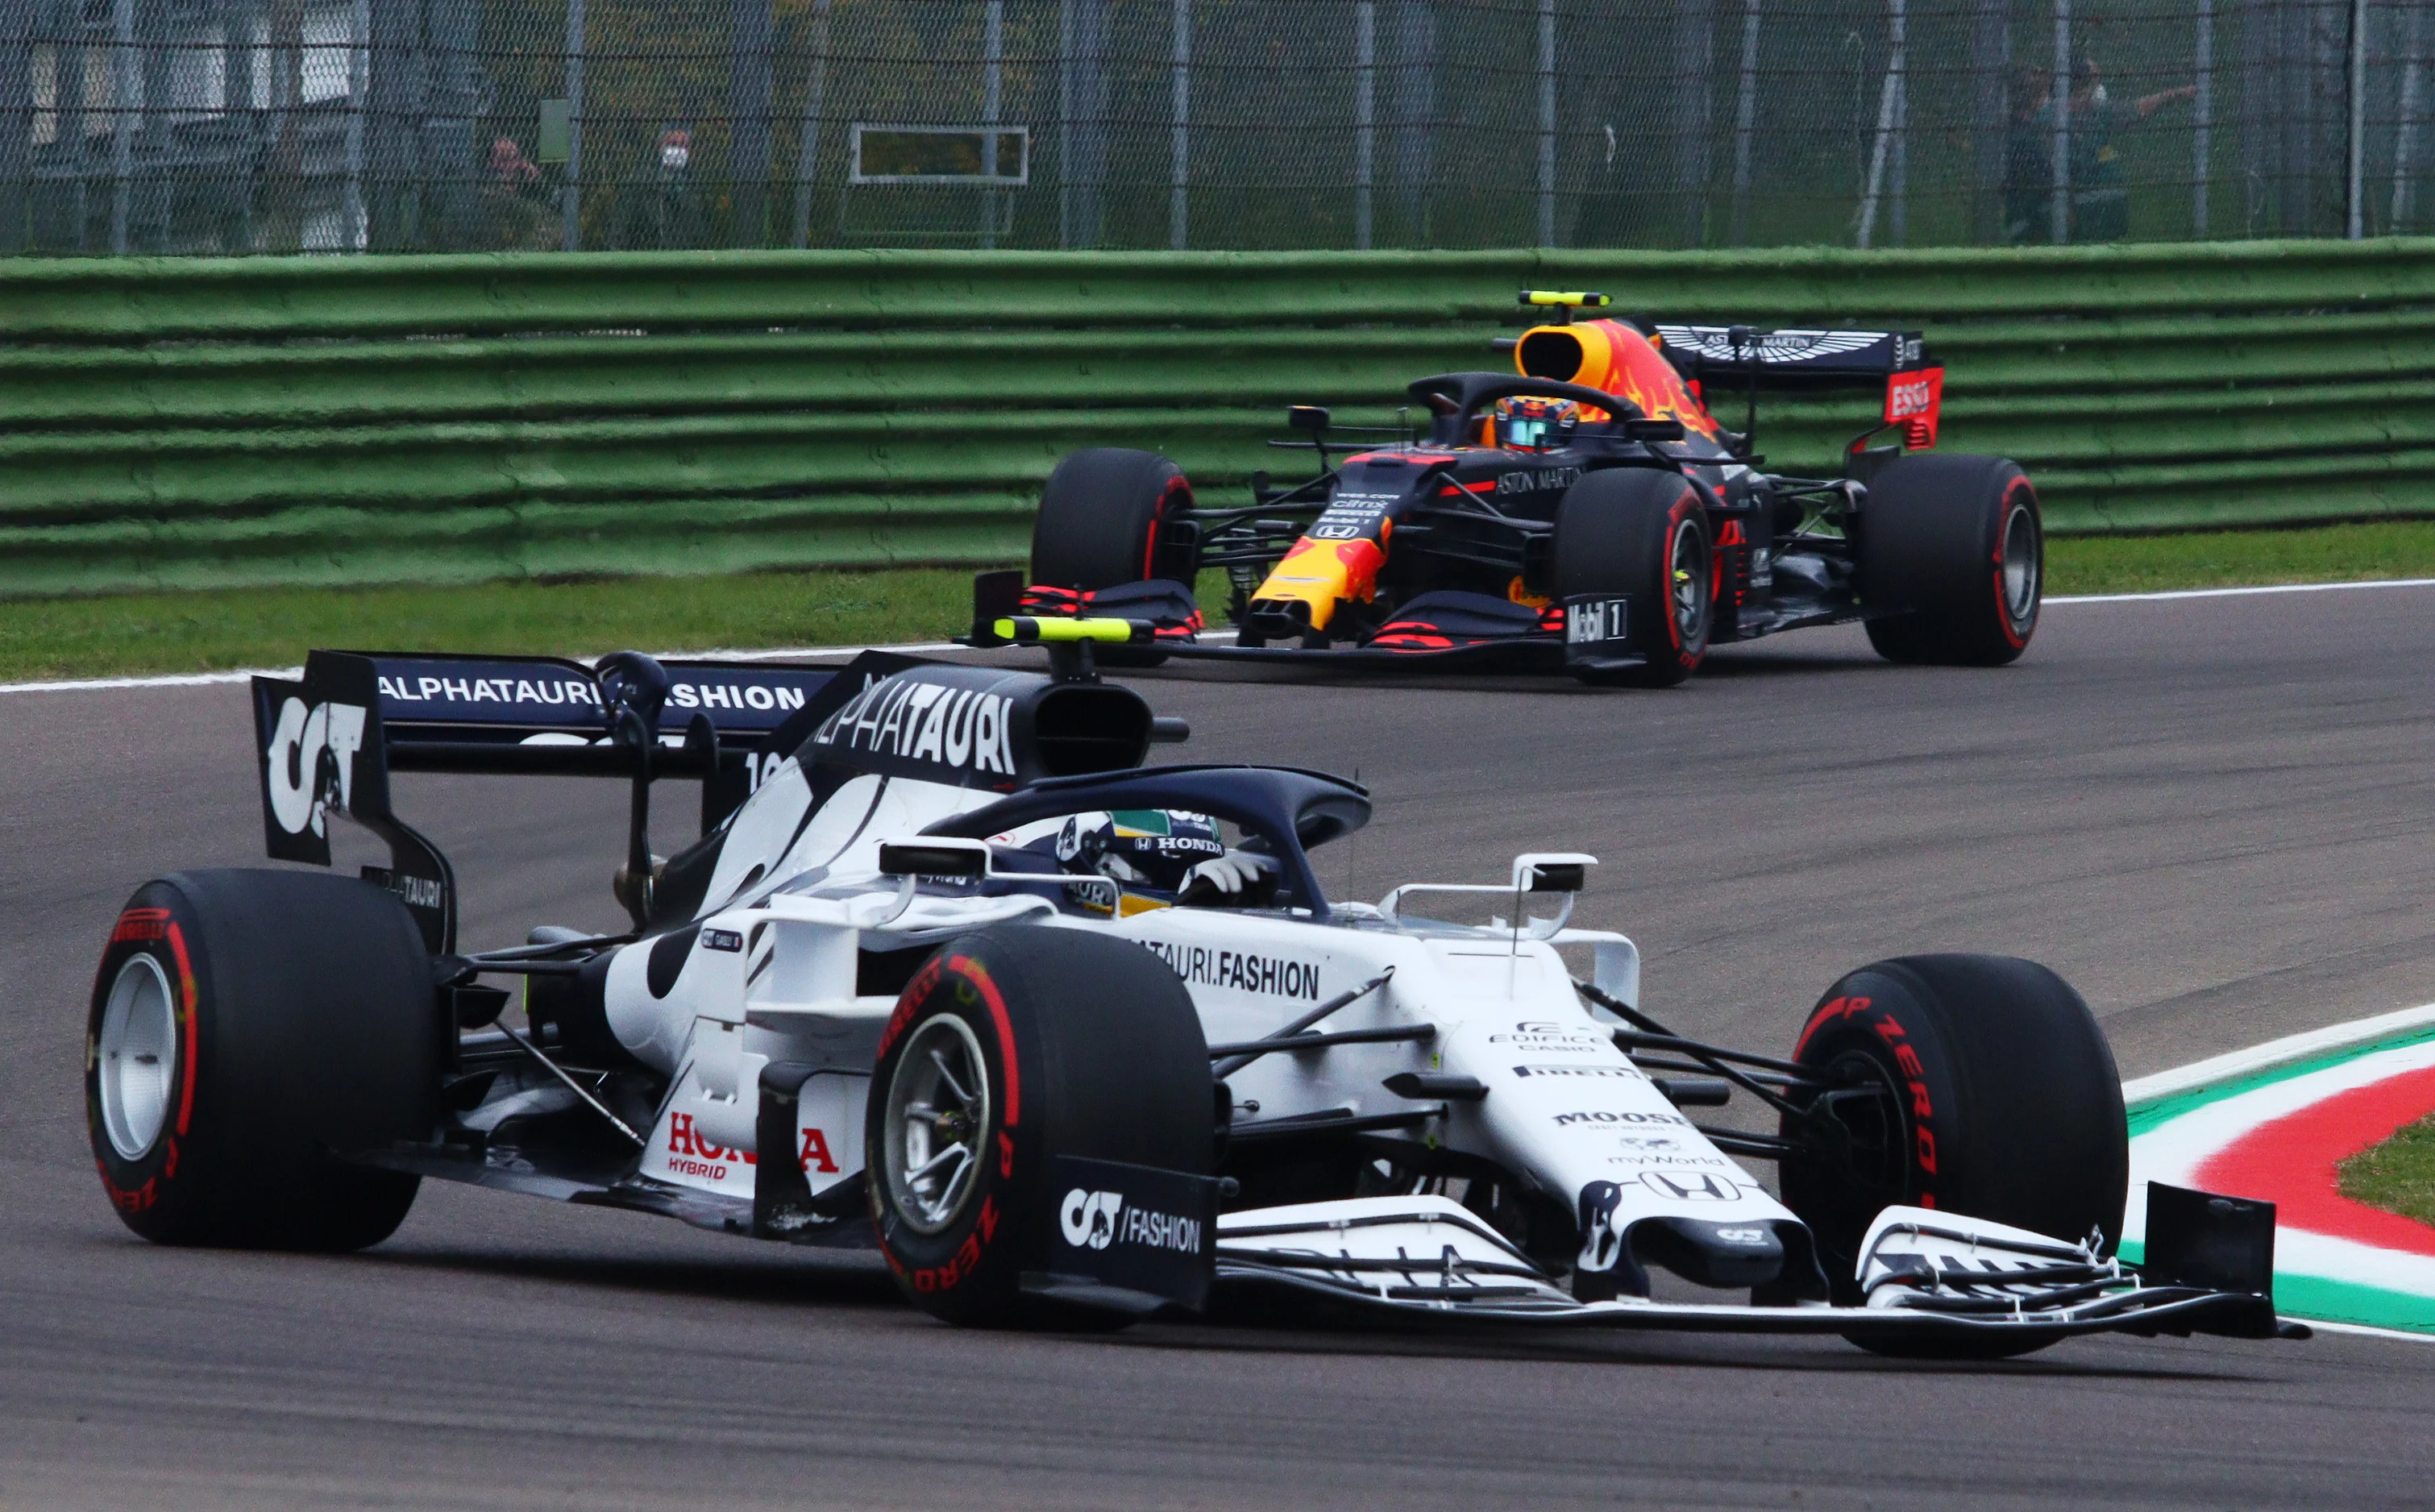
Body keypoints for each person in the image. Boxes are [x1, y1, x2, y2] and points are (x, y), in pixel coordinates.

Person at [615, 126, 713, 251]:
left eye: (683, 145)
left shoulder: (697, 187)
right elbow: (621, 228)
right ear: (661, 146)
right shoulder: (642, 182)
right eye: (672, 144)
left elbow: (705, 231)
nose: (677, 150)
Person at [483, 137, 555, 250]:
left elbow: (541, 183)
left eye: (515, 157)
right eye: (505, 158)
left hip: (517, 200)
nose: (512, 163)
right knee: (531, 212)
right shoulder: (490, 175)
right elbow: (492, 193)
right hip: (499, 204)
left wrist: (532, 173)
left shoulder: (521, 169)